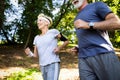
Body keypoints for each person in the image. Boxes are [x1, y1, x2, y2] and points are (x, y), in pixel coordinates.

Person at [71, 0, 120, 80]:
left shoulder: (97, 5)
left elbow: (117, 23)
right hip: (83, 58)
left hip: (103, 53)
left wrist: (89, 24)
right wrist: (79, 47)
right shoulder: (77, 17)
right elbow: (87, 36)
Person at [24, 13, 69, 80]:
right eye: (37, 21)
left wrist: (59, 48)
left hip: (53, 63)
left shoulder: (53, 32)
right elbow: (35, 55)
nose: (38, 23)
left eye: (40, 20)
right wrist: (29, 53)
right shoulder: (36, 38)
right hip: (42, 66)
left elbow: (66, 41)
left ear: (46, 23)